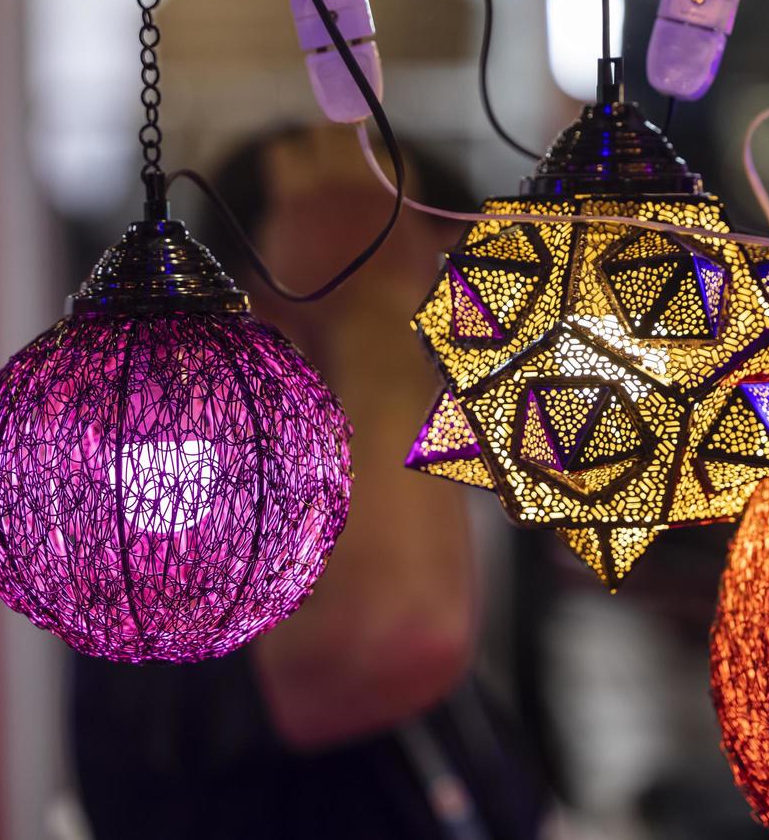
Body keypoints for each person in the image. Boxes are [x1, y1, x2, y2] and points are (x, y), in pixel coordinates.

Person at [69, 125, 554, 838]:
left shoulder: (362, 525)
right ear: (261, 304)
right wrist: (372, 298)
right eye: (431, 285)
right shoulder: (165, 541)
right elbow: (398, 637)